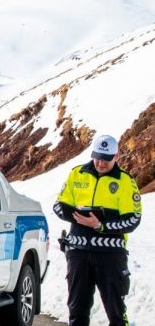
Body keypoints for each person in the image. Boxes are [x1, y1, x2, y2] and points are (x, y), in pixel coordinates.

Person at [53, 134, 142, 326]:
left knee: (116, 314)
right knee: (77, 312)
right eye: (97, 157)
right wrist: (77, 216)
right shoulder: (77, 174)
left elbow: (133, 220)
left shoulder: (126, 181)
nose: (101, 163)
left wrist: (100, 225)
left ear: (116, 157)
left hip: (110, 255)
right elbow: (58, 206)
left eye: (106, 159)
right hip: (78, 253)